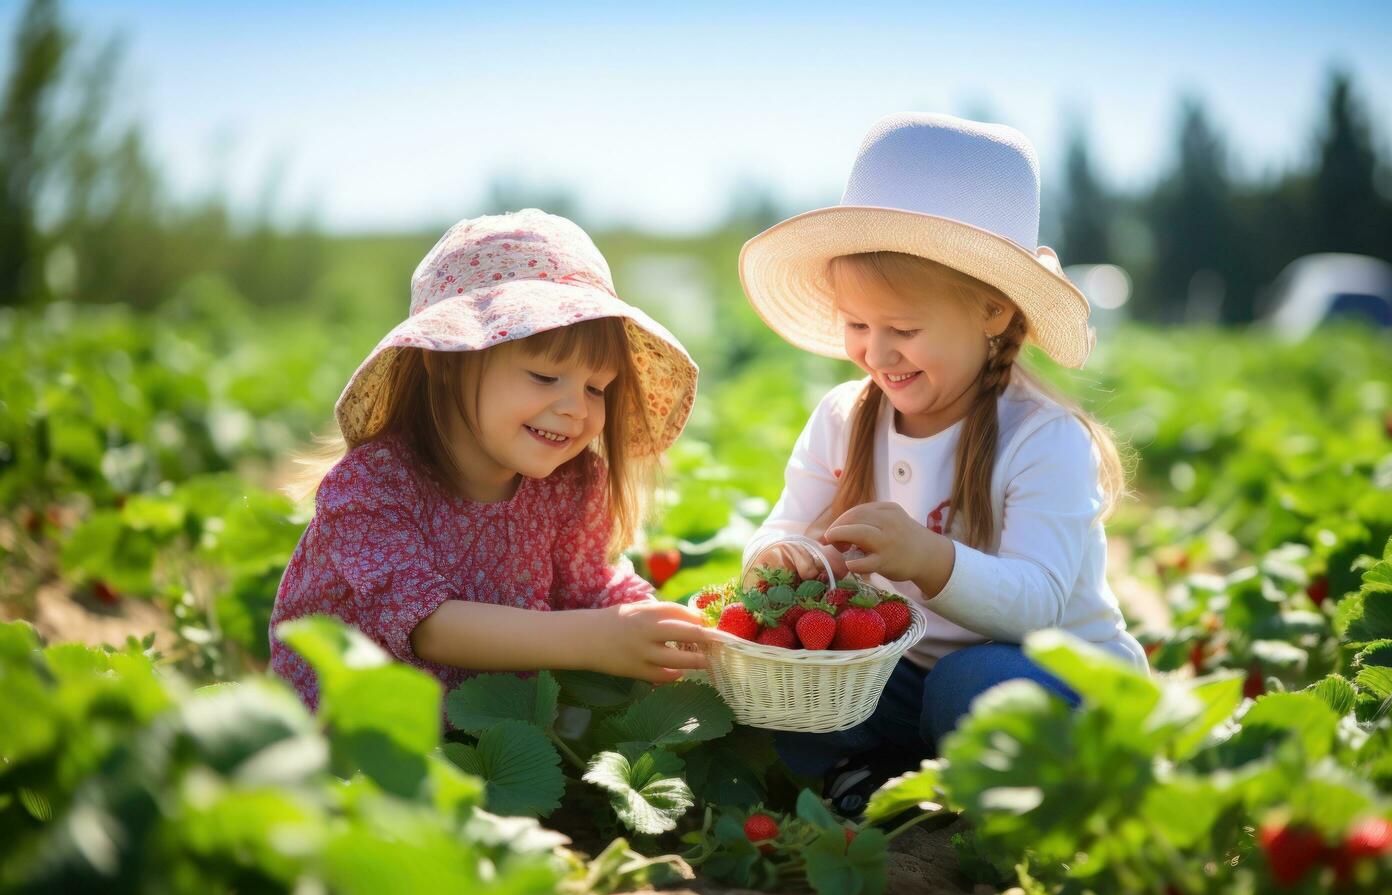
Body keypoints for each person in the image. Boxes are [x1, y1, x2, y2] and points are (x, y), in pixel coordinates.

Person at [738, 113, 1147, 817]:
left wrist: (928, 558)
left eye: (903, 329)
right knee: (784, 676)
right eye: (857, 325)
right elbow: (783, 526)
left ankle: (1021, 785)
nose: (876, 352)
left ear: (991, 310)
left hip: (1051, 676)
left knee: (972, 681)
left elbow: (1037, 605)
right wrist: (781, 556)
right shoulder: (843, 417)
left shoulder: (1041, 438)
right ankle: (879, 767)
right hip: (909, 676)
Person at [269, 209, 718, 714]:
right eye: (545, 377)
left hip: (488, 729)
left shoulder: (570, 485)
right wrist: (596, 639)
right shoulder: (373, 484)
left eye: (597, 388)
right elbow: (426, 625)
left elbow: (590, 584)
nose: (576, 407)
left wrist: (667, 625)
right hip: (352, 741)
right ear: (444, 360)